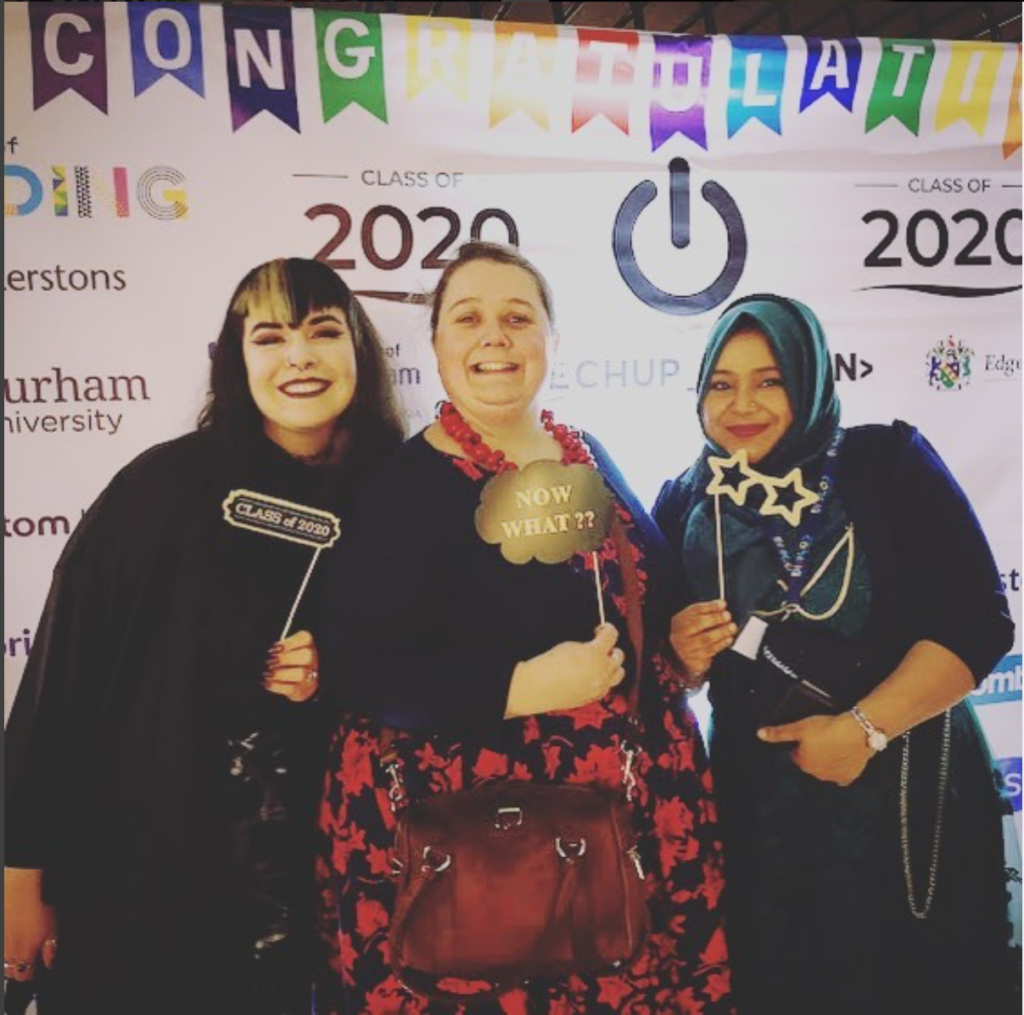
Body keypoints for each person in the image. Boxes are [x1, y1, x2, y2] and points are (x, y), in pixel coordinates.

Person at [314, 241, 732, 1015]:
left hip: (628, 829)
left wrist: (684, 647)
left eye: (518, 316)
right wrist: (522, 685)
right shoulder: (401, 487)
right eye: (468, 318)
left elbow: (653, 603)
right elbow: (363, 669)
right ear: (436, 345)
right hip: (484, 858)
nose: (495, 336)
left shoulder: (589, 455)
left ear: (552, 340)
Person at [4, 258, 404, 1015]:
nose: (299, 357)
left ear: (359, 349)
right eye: (270, 336)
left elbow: (432, 660)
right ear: (235, 357)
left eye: (323, 331)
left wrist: (340, 667)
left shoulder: (397, 496)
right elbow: (61, 681)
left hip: (333, 887)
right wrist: (20, 870)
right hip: (150, 872)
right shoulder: (159, 490)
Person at [653, 293, 1017, 1015]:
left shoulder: (886, 463)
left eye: (771, 378)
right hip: (760, 810)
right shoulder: (685, 501)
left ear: (811, 377)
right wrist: (684, 657)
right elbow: (664, 671)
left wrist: (864, 729)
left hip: (907, 787)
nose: (742, 403)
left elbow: (979, 623)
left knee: (916, 982)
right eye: (721, 383)